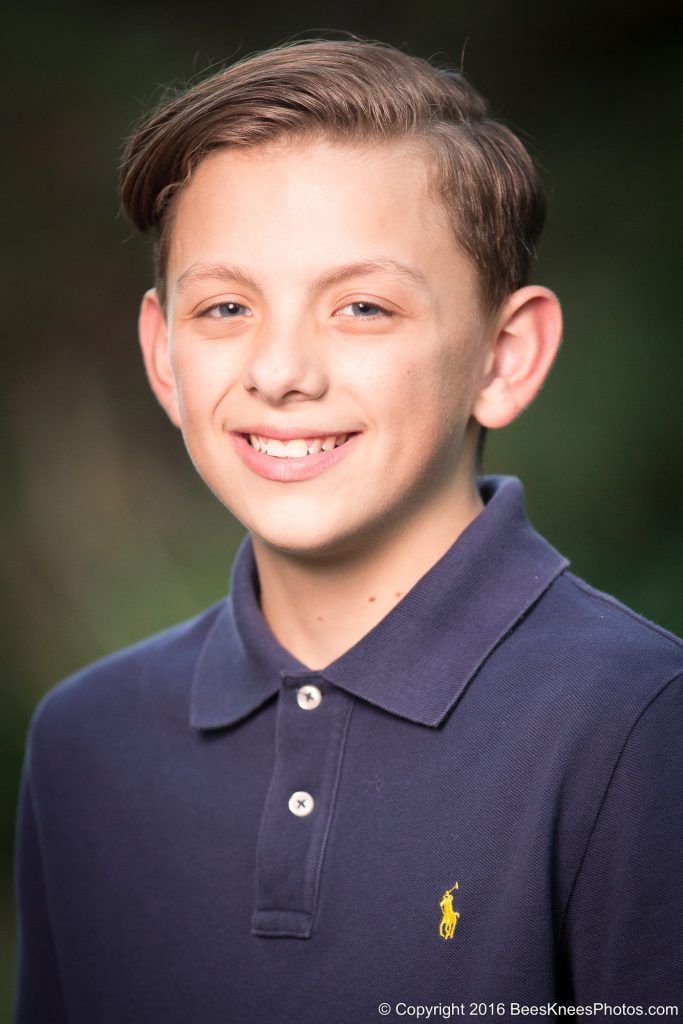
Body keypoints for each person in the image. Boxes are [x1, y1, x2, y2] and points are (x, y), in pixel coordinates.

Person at [13, 37, 682, 1023]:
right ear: (163, 356)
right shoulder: (85, 743)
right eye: (226, 305)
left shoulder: (635, 725)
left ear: (503, 356)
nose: (280, 370)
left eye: (362, 306)